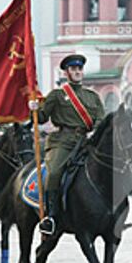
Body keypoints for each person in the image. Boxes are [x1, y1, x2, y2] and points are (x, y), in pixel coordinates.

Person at [28, 54, 104, 235]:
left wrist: (96, 131)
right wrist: (33, 109)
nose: (77, 72)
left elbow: (100, 118)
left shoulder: (92, 96)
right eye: (73, 69)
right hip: (63, 142)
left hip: (86, 141)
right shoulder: (57, 95)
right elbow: (42, 118)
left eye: (79, 69)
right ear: (67, 72)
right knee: (54, 173)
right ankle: (52, 216)